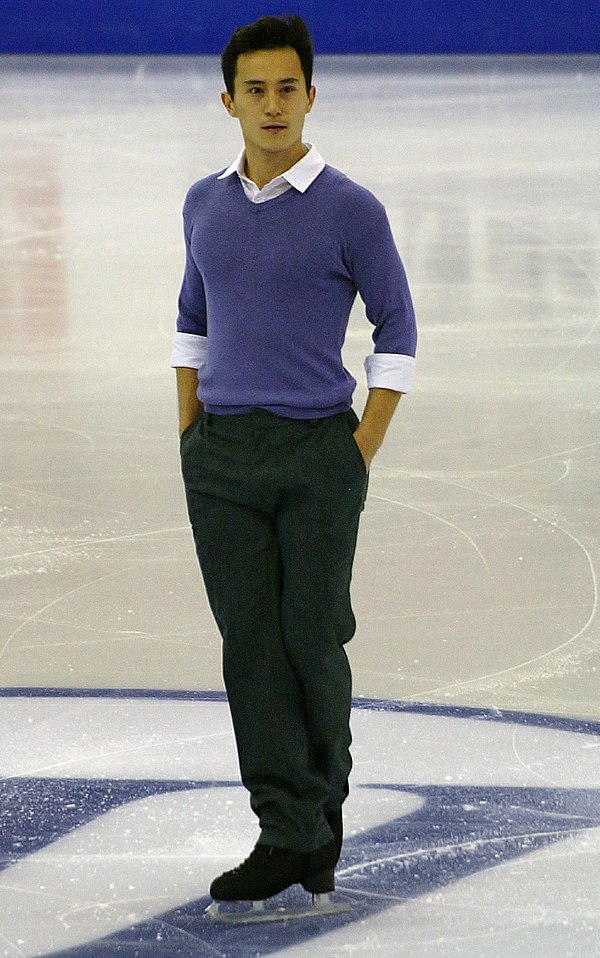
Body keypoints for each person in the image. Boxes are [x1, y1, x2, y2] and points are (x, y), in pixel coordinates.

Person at [171, 13, 417, 905]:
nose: (271, 106)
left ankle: (320, 812)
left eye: (287, 89)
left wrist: (360, 447)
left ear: (310, 96)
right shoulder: (203, 203)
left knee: (311, 636)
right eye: (255, 91)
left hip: (318, 453)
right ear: (229, 100)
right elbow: (191, 320)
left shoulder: (352, 209)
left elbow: (399, 327)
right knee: (252, 648)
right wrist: (190, 431)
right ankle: (288, 829)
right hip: (222, 460)